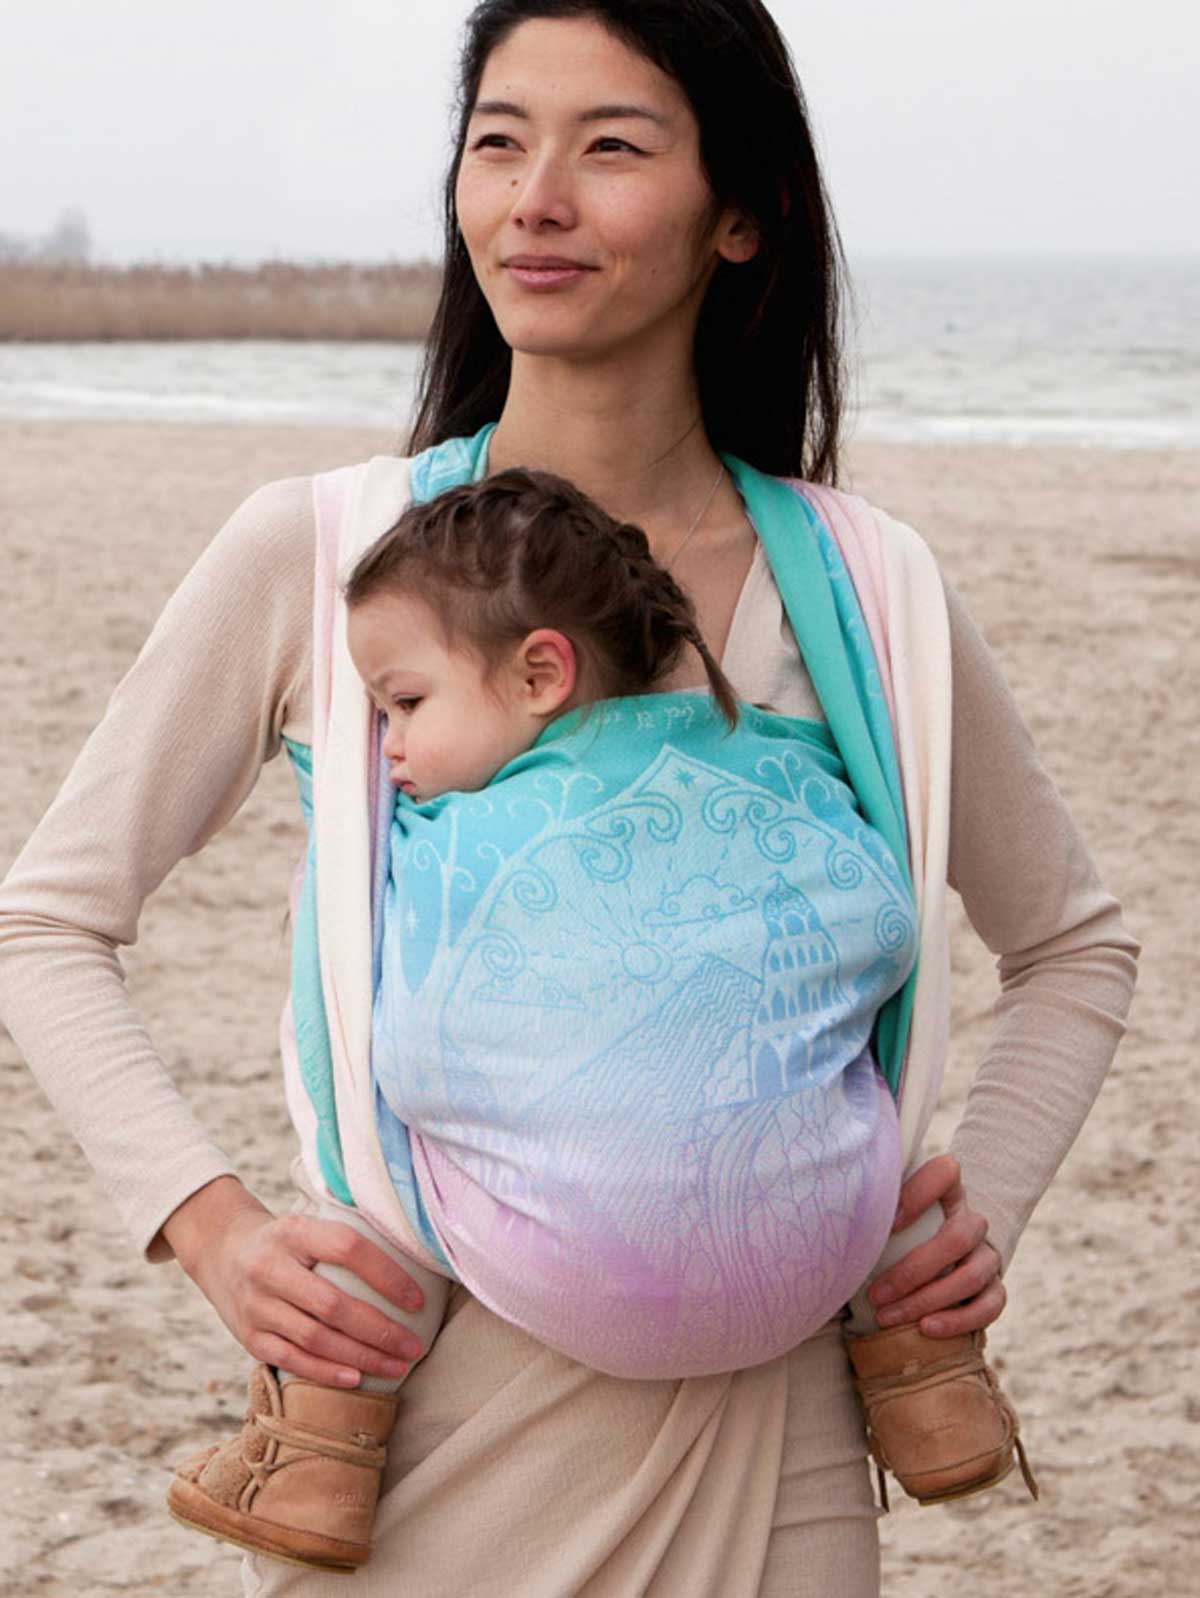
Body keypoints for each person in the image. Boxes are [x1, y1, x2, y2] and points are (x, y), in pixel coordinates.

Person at [0, 2, 1137, 1595]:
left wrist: (975, 1218)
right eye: (497, 142)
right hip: (422, 1437)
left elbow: (1076, 946)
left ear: (744, 214)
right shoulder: (324, 556)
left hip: (782, 1444)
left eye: (611, 146)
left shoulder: (869, 593)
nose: (535, 198)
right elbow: (46, 920)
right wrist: (215, 1229)